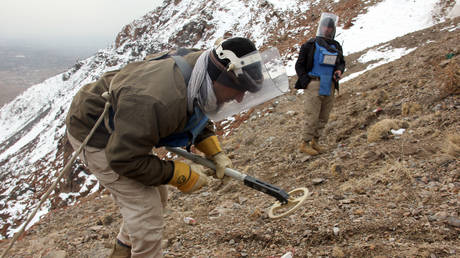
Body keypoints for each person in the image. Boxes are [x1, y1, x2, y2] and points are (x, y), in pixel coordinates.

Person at [65, 37, 268, 257]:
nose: (239, 99)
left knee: (157, 196)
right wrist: (178, 174)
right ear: (220, 78)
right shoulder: (157, 100)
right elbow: (124, 159)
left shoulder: (204, 69)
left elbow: (198, 108)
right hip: (95, 131)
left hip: (130, 126)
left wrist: (214, 151)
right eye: (238, 90)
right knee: (145, 209)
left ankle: (122, 251)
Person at [294, 13, 346, 156]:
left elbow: (341, 63)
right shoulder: (310, 45)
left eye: (330, 27)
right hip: (314, 83)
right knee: (312, 115)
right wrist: (306, 82)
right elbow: (299, 65)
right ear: (320, 27)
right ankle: (304, 143)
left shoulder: (335, 46)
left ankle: (315, 142)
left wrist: (339, 71)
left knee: (324, 115)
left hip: (329, 84)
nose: (327, 29)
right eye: (324, 26)